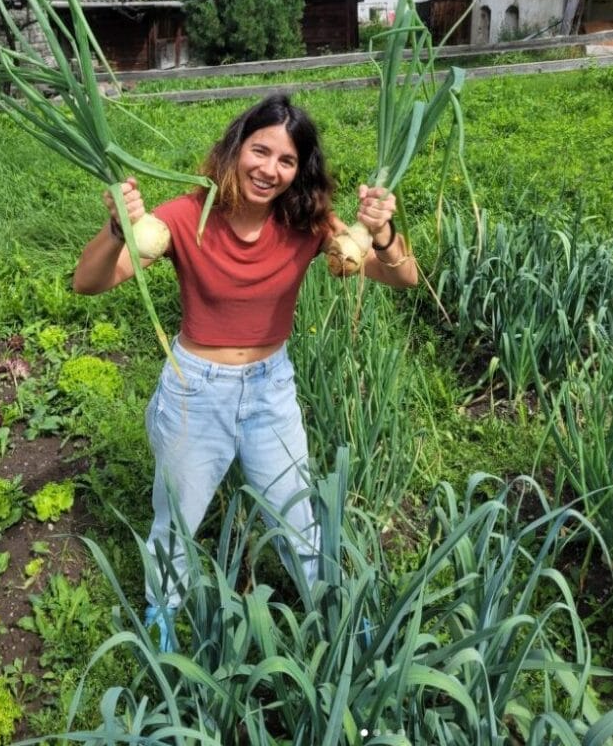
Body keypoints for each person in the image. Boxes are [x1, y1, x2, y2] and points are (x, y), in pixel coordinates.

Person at [72, 94, 417, 649]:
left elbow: (402, 278)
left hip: (270, 390)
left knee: (297, 517)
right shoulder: (187, 215)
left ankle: (337, 619)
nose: (270, 170)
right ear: (236, 148)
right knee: (177, 521)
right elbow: (87, 283)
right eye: (260, 151)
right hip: (195, 391)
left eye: (286, 161)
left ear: (298, 170)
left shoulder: (308, 223)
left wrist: (380, 233)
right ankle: (162, 623)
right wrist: (117, 229)